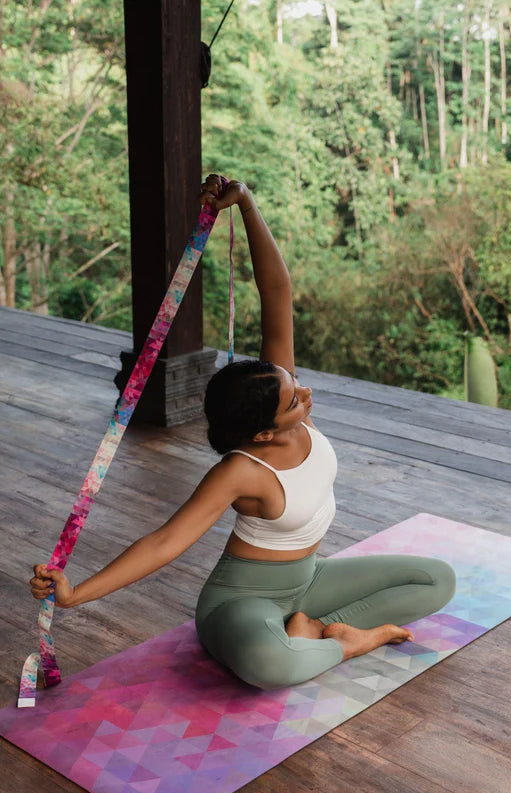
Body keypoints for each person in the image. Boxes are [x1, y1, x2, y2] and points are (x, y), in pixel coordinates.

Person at [30, 175, 456, 690]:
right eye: (293, 401)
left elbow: (277, 291)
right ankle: (342, 641)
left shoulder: (274, 392)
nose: (304, 394)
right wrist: (78, 595)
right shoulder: (239, 471)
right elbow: (164, 543)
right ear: (260, 435)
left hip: (311, 580)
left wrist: (247, 204)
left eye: (292, 384)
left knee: (437, 579)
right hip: (241, 603)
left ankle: (315, 628)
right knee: (270, 668)